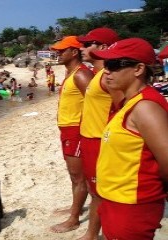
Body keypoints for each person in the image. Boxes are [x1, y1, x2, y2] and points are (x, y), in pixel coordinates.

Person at [91, 38, 168, 240]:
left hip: (132, 205)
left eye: (114, 65)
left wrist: (152, 191)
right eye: (106, 65)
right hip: (117, 200)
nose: (106, 70)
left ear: (138, 69)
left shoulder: (146, 108)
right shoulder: (130, 102)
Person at [77, 27, 122, 240]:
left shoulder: (107, 77)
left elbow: (121, 110)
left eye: (88, 44)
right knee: (91, 186)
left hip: (98, 140)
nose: (82, 48)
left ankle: (91, 234)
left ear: (103, 47)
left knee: (97, 191)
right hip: (89, 138)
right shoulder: (97, 74)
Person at [50, 36, 94, 233]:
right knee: (74, 175)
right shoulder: (72, 73)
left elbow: (97, 105)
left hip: (77, 131)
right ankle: (75, 207)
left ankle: (74, 219)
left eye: (62, 50)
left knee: (79, 177)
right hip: (68, 130)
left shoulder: (81, 75)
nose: (58, 54)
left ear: (74, 52)